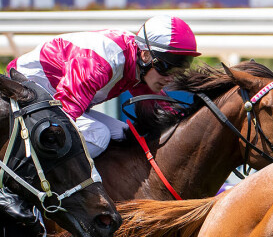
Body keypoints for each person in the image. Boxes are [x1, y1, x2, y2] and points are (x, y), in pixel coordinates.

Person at [2, 15, 200, 220]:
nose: (170, 77)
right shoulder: (101, 62)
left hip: (56, 97)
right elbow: (62, 121)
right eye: (167, 67)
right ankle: (17, 191)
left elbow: (161, 110)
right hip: (32, 97)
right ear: (146, 55)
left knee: (124, 134)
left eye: (178, 69)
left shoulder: (138, 62)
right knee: (99, 135)